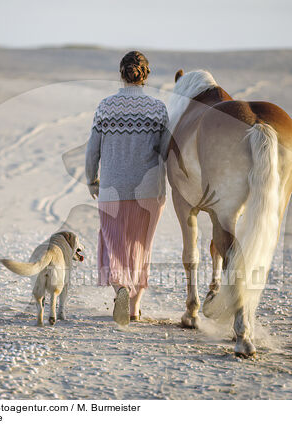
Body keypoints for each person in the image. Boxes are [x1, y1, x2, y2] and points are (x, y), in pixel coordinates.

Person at [85, 50, 169, 325]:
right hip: (149, 192)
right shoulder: (158, 108)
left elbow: (92, 149)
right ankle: (134, 308)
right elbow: (167, 151)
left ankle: (120, 287)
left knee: (113, 243)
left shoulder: (105, 106)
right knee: (141, 247)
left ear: (121, 74)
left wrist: (91, 179)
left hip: (112, 189)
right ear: (146, 75)